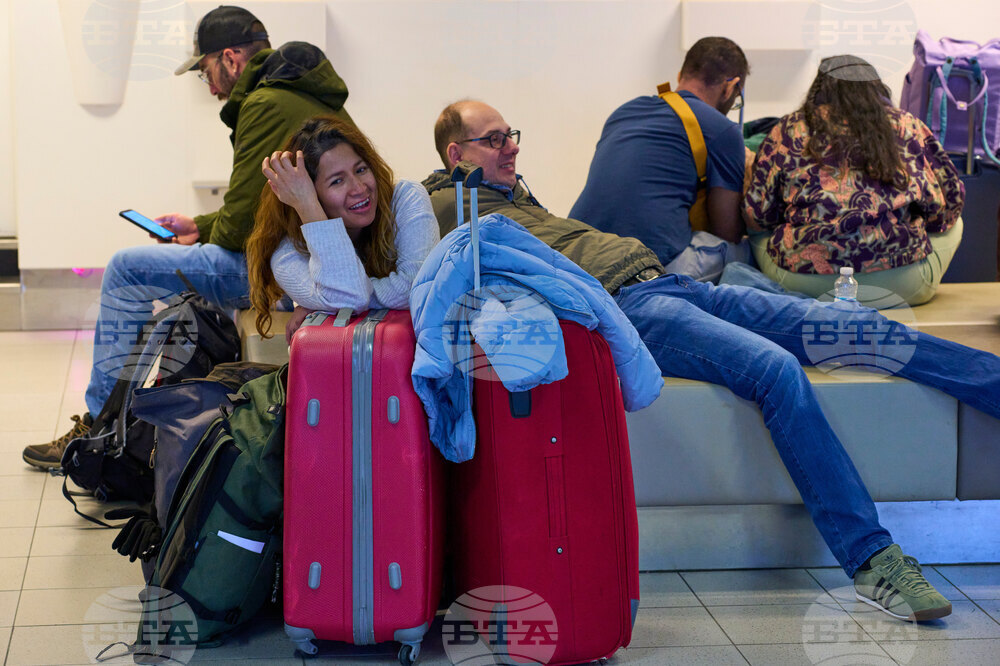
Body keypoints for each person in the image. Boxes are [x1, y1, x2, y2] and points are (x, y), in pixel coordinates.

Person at [426, 100, 1000, 623]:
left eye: (512, 134)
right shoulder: (449, 204)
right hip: (632, 308)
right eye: (496, 138)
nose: (513, 147)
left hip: (669, 284)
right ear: (456, 155)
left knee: (853, 325)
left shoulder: (508, 198)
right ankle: (873, 558)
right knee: (776, 369)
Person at [22, 5, 353, 469]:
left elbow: (240, 230)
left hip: (286, 273)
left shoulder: (263, 103)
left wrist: (211, 229)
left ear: (233, 58)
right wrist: (199, 227)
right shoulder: (306, 96)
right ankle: (131, 426)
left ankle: (98, 430)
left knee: (126, 268)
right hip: (317, 260)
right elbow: (259, 203)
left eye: (206, 71)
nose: (212, 86)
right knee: (164, 268)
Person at [744, 55, 964, 306]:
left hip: (806, 286)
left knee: (756, 233)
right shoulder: (906, 125)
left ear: (819, 88)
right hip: (903, 286)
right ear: (875, 88)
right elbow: (949, 202)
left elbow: (758, 213)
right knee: (956, 224)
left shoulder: (789, 129)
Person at [570, 37, 752, 282]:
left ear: (679, 76)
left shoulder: (624, 111)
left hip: (578, 255)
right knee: (746, 252)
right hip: (645, 268)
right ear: (731, 88)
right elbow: (725, 231)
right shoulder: (722, 130)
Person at [246, 116, 438, 339]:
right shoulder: (287, 251)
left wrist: (325, 303)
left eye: (361, 170)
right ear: (309, 192)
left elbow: (418, 287)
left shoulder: (406, 197)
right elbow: (350, 298)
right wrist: (309, 208)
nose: (359, 188)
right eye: (337, 181)